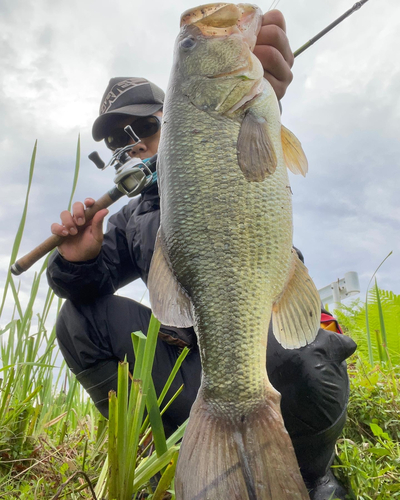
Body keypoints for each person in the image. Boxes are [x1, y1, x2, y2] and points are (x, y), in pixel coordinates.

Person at [47, 11, 356, 500]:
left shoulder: (236, 127)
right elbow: (87, 288)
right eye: (116, 143)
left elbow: (257, 171)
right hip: (190, 373)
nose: (132, 147)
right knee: (75, 320)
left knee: (307, 353)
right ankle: (171, 447)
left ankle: (312, 472)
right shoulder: (129, 222)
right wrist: (79, 261)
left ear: (172, 121)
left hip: (260, 347)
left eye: (143, 128)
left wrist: (262, 94)